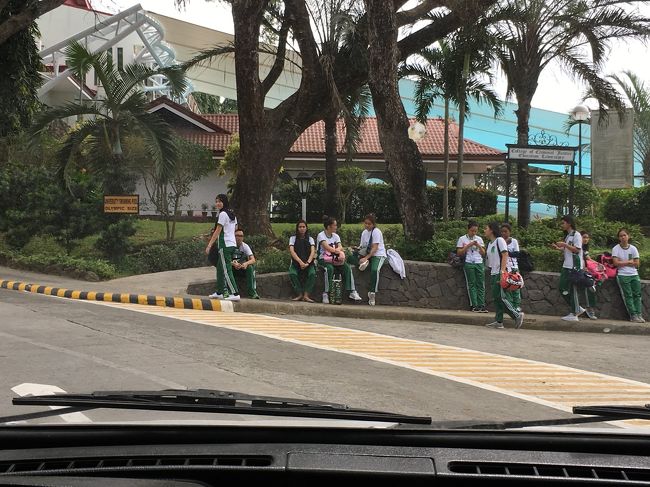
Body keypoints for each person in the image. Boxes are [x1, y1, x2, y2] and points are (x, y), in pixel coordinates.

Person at [484, 221, 525, 329]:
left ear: (491, 230)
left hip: (500, 272)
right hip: (493, 272)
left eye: (486, 228)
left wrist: (502, 272)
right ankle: (499, 321)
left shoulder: (500, 240)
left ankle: (516, 315)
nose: (484, 230)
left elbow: (505, 254)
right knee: (497, 298)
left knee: (502, 297)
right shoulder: (489, 244)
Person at [317, 215, 362, 304]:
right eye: (335, 225)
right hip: (324, 259)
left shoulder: (336, 236)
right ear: (329, 226)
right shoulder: (321, 235)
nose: (336, 227)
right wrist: (337, 250)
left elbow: (340, 246)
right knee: (329, 269)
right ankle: (326, 293)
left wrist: (337, 250)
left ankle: (352, 291)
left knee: (347, 268)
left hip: (335, 259)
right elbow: (327, 248)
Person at [205, 194, 240, 301]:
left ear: (224, 202)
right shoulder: (232, 214)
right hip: (232, 244)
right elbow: (236, 227)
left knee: (226, 270)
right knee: (220, 269)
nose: (217, 203)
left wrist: (209, 245)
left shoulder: (223, 214)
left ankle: (235, 293)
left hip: (225, 245)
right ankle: (220, 291)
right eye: (216, 201)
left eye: (220, 201)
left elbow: (217, 231)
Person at [348, 213, 387, 306]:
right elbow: (363, 246)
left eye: (369, 224)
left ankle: (372, 292)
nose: (367, 225)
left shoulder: (376, 232)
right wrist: (356, 249)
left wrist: (366, 258)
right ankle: (362, 264)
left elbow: (375, 248)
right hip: (367, 254)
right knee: (349, 258)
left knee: (375, 270)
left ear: (373, 224)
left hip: (377, 255)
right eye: (365, 223)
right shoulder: (364, 233)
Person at [551, 215, 584, 321]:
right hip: (567, 265)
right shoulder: (568, 235)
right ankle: (577, 308)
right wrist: (559, 248)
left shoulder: (576, 235)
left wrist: (564, 245)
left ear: (569, 223)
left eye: (563, 223)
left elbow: (577, 250)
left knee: (571, 289)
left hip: (573, 266)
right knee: (562, 288)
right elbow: (569, 250)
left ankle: (575, 312)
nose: (562, 225)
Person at [612, 228, 645, 323]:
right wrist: (629, 262)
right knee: (628, 295)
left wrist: (623, 262)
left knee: (637, 295)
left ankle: (639, 314)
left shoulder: (633, 248)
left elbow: (637, 263)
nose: (623, 237)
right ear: (619, 238)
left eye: (624, 235)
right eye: (621, 236)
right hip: (623, 275)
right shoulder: (616, 249)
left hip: (634, 274)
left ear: (628, 236)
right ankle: (633, 315)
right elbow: (615, 263)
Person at [456, 221, 487, 313]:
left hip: (478, 262)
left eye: (475, 231)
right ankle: (474, 305)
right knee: (471, 284)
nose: (473, 233)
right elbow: (459, 252)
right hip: (469, 262)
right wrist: (468, 246)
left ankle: (481, 304)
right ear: (468, 230)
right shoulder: (462, 239)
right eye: (472, 231)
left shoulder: (479, 239)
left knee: (480, 283)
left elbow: (483, 253)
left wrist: (478, 246)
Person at [288, 219, 316, 302]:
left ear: (306, 228)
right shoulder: (292, 238)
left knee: (312, 274)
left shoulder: (310, 239)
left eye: (303, 227)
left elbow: (313, 251)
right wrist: (300, 262)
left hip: (309, 263)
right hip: (296, 264)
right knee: (292, 273)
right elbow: (292, 251)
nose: (302, 228)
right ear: (297, 228)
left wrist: (307, 263)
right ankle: (299, 294)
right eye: (300, 227)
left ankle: (306, 295)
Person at [232, 228, 260, 299]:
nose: (239, 238)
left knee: (250, 267)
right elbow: (225, 260)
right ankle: (232, 292)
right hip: (232, 268)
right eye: (237, 235)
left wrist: (246, 264)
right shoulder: (230, 246)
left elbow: (253, 259)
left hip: (242, 268)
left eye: (241, 236)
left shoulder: (245, 246)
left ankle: (252, 293)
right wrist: (233, 264)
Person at [500, 223, 522, 313]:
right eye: (502, 232)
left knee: (515, 287)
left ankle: (517, 306)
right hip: (505, 268)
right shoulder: (500, 241)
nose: (504, 233)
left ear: (510, 232)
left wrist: (506, 252)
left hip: (513, 268)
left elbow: (516, 254)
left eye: (506, 231)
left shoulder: (514, 241)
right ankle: (511, 306)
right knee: (507, 288)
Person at [580, 230, 598, 320]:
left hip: (585, 272)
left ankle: (589, 309)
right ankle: (586, 310)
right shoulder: (577, 247)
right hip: (578, 271)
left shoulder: (585, 248)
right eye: (584, 237)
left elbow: (588, 259)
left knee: (591, 288)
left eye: (587, 237)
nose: (586, 239)